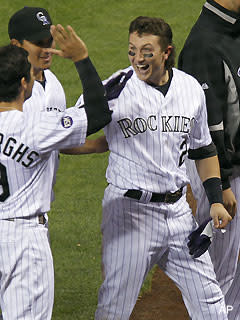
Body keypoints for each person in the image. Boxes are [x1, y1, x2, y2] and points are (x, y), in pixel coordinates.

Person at [75, 16, 232, 319]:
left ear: (166, 52)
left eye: (146, 50)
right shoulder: (116, 88)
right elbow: (72, 130)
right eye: (132, 50)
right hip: (130, 214)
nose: (137, 58)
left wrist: (214, 199)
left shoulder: (189, 89)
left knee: (211, 303)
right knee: (115, 307)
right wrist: (43, 145)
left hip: (178, 215)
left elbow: (203, 147)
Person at [0, 23, 111, 320]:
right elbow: (99, 112)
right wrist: (81, 58)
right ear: (24, 84)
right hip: (23, 241)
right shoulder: (35, 126)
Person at [178, 1, 240, 318]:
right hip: (221, 170)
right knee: (220, 268)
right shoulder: (202, 45)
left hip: (234, 163)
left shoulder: (233, 29)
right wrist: (223, 184)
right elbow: (207, 130)